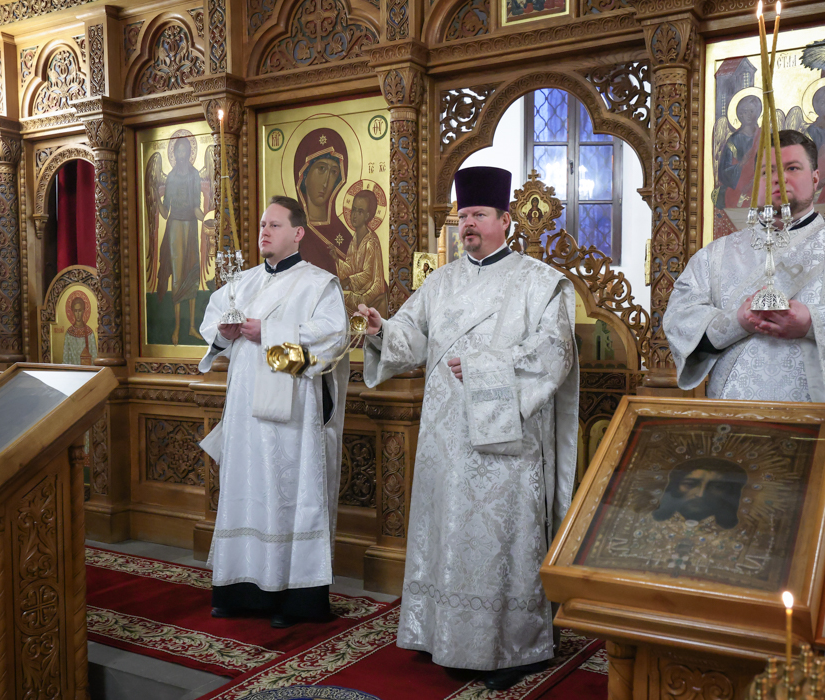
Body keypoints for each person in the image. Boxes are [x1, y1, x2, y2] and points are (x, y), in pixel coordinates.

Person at [356, 166, 579, 690]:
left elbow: (555, 353)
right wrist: (382, 330)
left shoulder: (540, 282)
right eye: (463, 217)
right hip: (445, 438)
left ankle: (511, 647)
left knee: (501, 540)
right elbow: (410, 337)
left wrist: (484, 367)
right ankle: (444, 634)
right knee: (448, 532)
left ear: (506, 220)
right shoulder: (441, 280)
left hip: (506, 442)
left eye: (479, 214)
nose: (469, 224)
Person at [664, 130, 825, 519]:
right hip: (733, 430)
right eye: (768, 172)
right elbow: (680, 320)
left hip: (819, 428)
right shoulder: (716, 256)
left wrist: (813, 322)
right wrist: (737, 322)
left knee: (812, 529)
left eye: (793, 168)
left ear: (815, 177)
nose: (780, 180)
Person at [197, 195, 350, 628]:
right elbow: (211, 326)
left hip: (292, 415)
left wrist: (269, 332)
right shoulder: (241, 282)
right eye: (263, 224)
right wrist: (225, 334)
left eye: (275, 225)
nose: (265, 231)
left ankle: (294, 598)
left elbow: (332, 340)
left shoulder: (319, 284)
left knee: (288, 496)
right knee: (246, 489)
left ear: (298, 233)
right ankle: (239, 590)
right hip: (245, 412)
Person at [158, 136, 207, 345]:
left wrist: (209, 219)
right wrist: (153, 196)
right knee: (178, 275)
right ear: (174, 154)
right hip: (175, 226)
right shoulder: (171, 177)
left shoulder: (194, 175)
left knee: (192, 271)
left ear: (189, 153)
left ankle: (192, 326)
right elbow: (165, 211)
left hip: (191, 226)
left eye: (184, 150)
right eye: (178, 150)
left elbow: (196, 207)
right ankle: (177, 327)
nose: (181, 154)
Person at [293, 128, 355, 276]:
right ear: (304, 176)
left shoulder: (345, 238)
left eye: (333, 172)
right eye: (321, 169)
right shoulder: (293, 236)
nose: (326, 182)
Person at [333, 189, 388, 317]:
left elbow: (368, 274)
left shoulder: (371, 241)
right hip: (358, 292)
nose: (354, 215)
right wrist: (336, 259)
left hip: (370, 294)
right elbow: (351, 268)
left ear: (367, 216)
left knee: (336, 298)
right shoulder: (355, 239)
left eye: (360, 211)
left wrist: (348, 281)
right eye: (353, 210)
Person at [651, 458, 748, 530]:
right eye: (690, 484)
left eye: (716, 487)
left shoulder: (741, 532)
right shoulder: (653, 525)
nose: (700, 494)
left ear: (729, 492)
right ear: (674, 487)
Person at [717, 94, 763, 210]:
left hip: (762, 185)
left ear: (758, 113)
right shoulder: (733, 140)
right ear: (739, 114)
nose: (748, 115)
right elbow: (724, 172)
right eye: (744, 111)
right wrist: (741, 165)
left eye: (751, 111)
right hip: (740, 189)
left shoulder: (764, 136)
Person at [63, 293, 97, 366]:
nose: (78, 314)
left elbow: (94, 357)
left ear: (84, 311)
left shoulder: (89, 333)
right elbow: (66, 359)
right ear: (72, 312)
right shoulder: (69, 334)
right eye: (76, 311)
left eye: (80, 310)